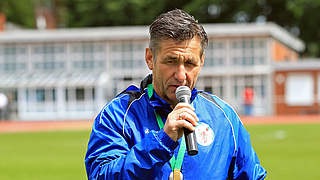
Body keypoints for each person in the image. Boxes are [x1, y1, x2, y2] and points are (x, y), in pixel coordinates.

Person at [85, 9, 266, 180]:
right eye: (171, 61)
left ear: (201, 62)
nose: (181, 75)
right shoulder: (119, 114)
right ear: (150, 59)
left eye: (190, 63)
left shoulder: (223, 116)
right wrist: (161, 142)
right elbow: (101, 175)